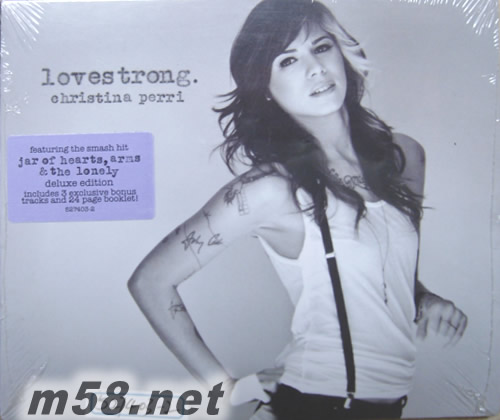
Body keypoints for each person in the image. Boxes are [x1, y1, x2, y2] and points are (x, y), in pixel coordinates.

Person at [128, 0, 468, 418]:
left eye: (321, 47)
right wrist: (227, 389)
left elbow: (389, 273)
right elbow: (150, 281)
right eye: (288, 60)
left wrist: (426, 299)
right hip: (313, 406)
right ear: (265, 86)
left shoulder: (403, 157)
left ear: (342, 53)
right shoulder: (273, 190)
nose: (315, 69)